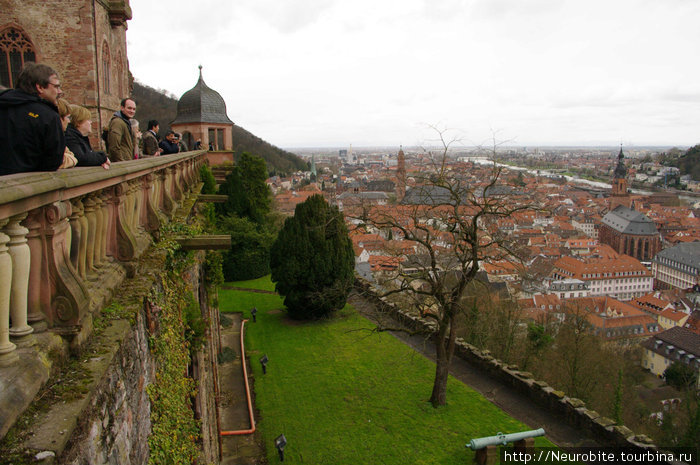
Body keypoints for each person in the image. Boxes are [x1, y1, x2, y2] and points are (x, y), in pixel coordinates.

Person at [0, 62, 65, 175]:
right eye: (56, 86)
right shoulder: (47, 115)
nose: (59, 91)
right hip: (29, 184)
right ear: (40, 87)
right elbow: (54, 160)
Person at [65, 104, 110, 169]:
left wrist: (99, 161)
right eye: (88, 120)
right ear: (78, 122)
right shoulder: (70, 136)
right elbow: (81, 158)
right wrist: (103, 158)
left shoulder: (79, 137)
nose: (91, 122)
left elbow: (88, 155)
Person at [107, 97, 136, 161]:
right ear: (122, 108)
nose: (132, 111)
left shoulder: (126, 123)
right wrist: (122, 162)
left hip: (127, 161)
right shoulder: (117, 122)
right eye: (129, 108)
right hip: (123, 164)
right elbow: (114, 147)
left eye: (134, 109)